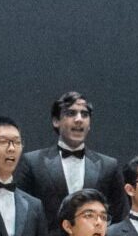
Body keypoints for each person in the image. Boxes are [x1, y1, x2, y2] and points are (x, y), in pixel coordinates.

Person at [21, 90, 122, 225]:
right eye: (71, 113)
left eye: (84, 114)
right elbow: (24, 216)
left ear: (90, 124)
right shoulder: (33, 162)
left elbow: (119, 219)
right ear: (56, 121)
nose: (79, 119)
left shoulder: (109, 165)